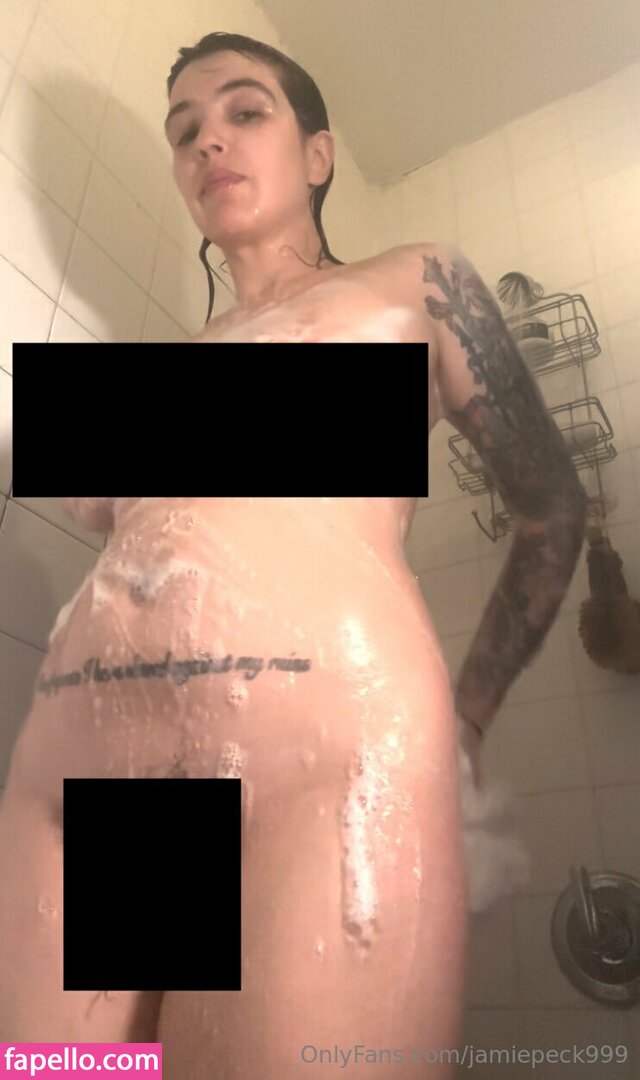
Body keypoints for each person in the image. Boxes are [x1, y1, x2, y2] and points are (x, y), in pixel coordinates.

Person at [0, 35, 587, 1080]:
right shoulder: (158, 370)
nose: (207, 141)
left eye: (244, 111)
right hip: (90, 774)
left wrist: (469, 716)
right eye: (184, 130)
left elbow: (550, 509)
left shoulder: (411, 282)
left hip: (319, 768)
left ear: (319, 154)